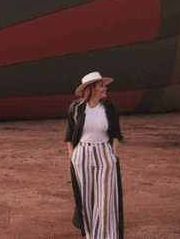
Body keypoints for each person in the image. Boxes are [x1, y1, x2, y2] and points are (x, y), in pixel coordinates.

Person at [65, 72, 124, 239]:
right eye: (100, 85)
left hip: (104, 153)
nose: (104, 88)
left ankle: (106, 235)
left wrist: (113, 154)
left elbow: (116, 134)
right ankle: (91, 235)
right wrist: (72, 155)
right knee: (86, 199)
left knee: (105, 200)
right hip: (82, 155)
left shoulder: (109, 107)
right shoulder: (76, 108)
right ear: (91, 89)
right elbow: (69, 136)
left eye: (104, 85)